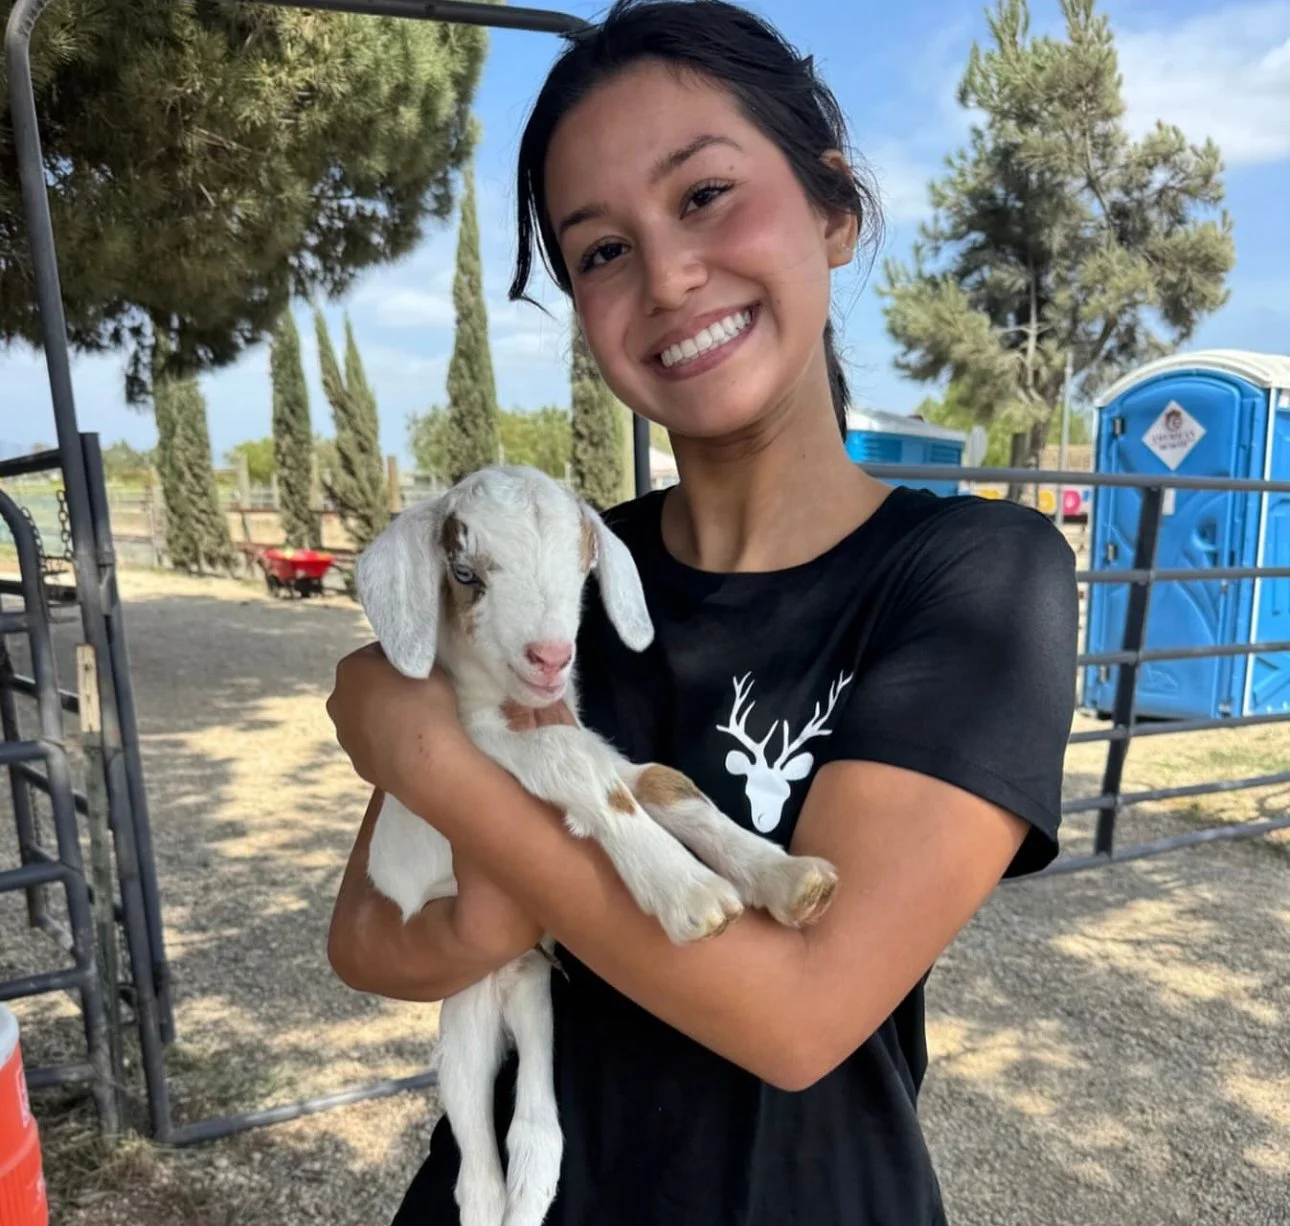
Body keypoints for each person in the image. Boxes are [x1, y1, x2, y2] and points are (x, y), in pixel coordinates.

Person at [323, 1, 1079, 1223]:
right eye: (602, 251)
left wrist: (432, 759)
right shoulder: (553, 561)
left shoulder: (977, 575)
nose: (668, 276)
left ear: (835, 210)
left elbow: (798, 1014)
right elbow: (362, 935)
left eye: (706, 194)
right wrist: (498, 906)